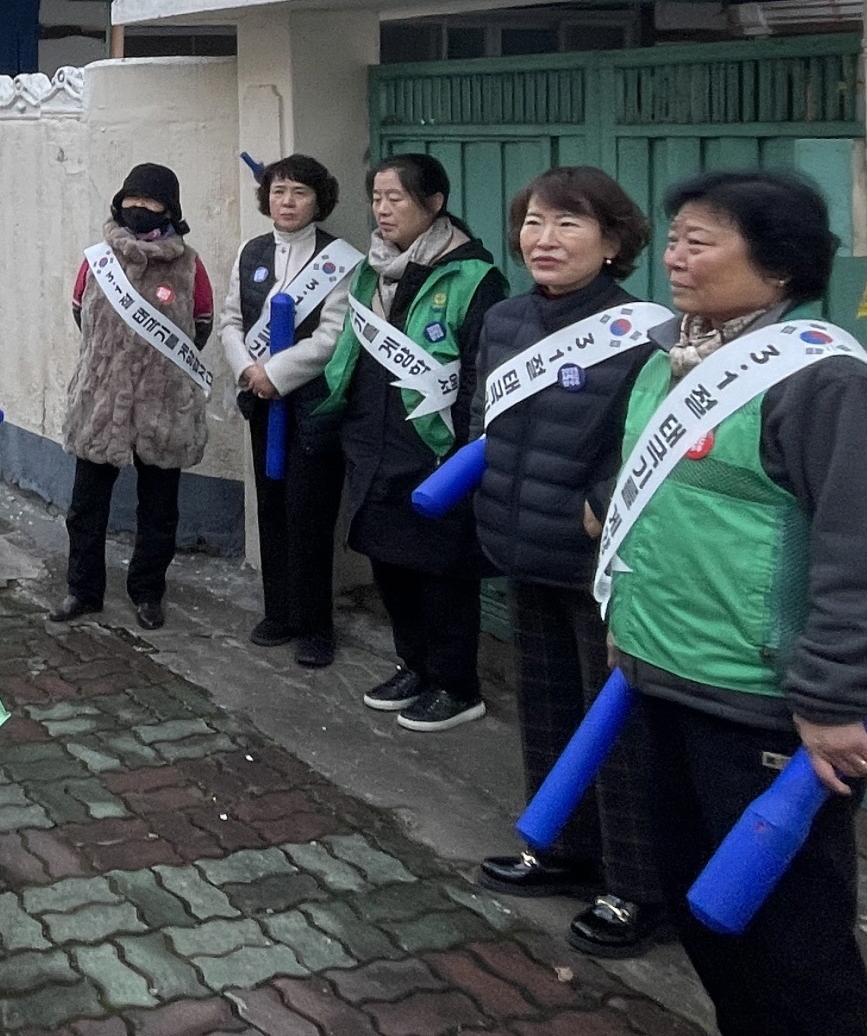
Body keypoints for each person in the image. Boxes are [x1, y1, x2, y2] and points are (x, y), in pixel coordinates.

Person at [601, 169, 867, 1032]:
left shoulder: (821, 380)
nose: (673, 258)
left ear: (780, 266)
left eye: (699, 242)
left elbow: (853, 548)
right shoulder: (667, 357)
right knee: (702, 909)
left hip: (761, 704)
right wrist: (625, 626)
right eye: (673, 238)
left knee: (794, 938)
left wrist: (831, 699)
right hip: (663, 674)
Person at [469, 167, 667, 958]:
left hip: (600, 561)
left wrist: (602, 495)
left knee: (613, 727)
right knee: (546, 708)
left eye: (568, 226)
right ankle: (558, 848)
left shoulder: (645, 332)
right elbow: (481, 419)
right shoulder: (507, 319)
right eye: (534, 223)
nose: (543, 241)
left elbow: (656, 439)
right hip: (522, 544)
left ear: (614, 241)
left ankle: (636, 888)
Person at [314, 153, 507, 732]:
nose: (382, 209)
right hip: (373, 441)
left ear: (434, 203)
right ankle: (415, 665)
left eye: (395, 198)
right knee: (389, 561)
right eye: (376, 198)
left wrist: (467, 449)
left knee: (440, 569)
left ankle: (457, 683)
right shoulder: (373, 271)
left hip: (435, 447)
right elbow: (352, 350)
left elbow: (480, 371)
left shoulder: (472, 277)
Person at [53, 164, 214, 631]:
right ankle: (82, 591)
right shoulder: (98, 258)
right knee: (86, 506)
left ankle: (148, 593)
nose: (139, 209)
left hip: (165, 405)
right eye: (133, 200)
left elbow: (199, 323)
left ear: (170, 209)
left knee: (160, 509)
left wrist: (156, 372)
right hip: (101, 401)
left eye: (151, 202)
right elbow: (80, 311)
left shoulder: (188, 264)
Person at [217, 154, 352, 667]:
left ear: (319, 198)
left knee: (309, 514)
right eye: (278, 192)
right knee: (271, 506)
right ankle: (280, 613)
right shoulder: (251, 251)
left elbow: (333, 335)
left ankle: (317, 626)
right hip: (260, 402)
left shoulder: (340, 259)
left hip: (314, 407)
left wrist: (276, 374)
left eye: (298, 192)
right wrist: (250, 371)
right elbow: (231, 319)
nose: (287, 202)